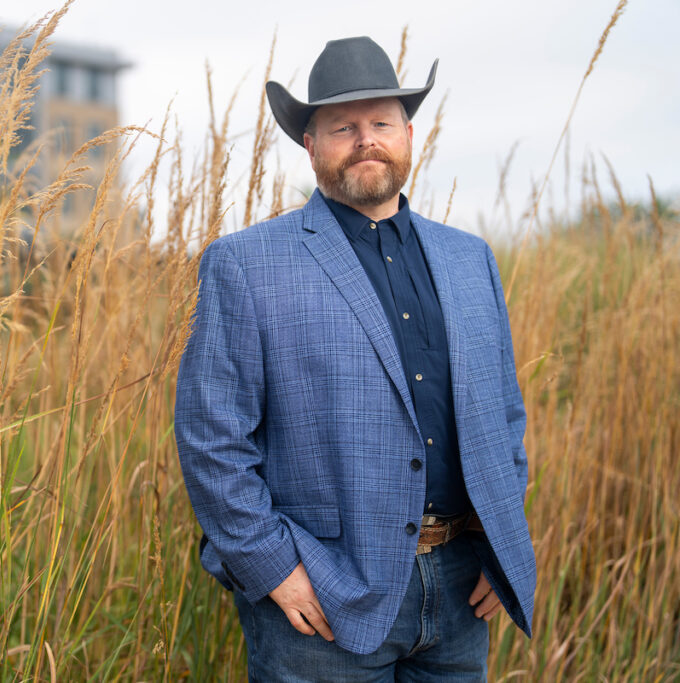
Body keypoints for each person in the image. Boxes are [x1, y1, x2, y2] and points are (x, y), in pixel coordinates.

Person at [174, 37, 536, 680]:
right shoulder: (247, 264)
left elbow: (503, 415)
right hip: (323, 598)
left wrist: (498, 545)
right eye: (342, 127)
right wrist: (272, 569)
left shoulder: (469, 257)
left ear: (409, 134)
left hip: (462, 592)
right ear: (311, 146)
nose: (365, 139)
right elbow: (211, 439)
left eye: (381, 123)